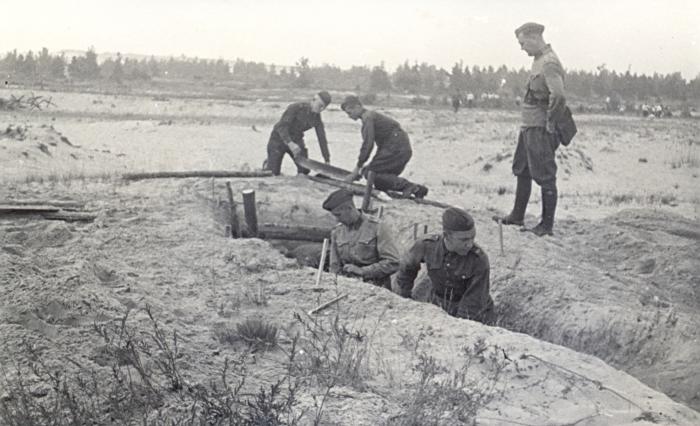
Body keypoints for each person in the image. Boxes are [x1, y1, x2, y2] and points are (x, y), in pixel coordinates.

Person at [493, 22, 566, 236]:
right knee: (522, 169)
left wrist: (550, 123)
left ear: (534, 37)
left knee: (545, 175)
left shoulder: (549, 62)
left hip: (540, 127)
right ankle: (517, 215)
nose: (522, 48)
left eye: (523, 43)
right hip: (529, 125)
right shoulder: (539, 60)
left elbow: (559, 96)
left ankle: (546, 225)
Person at [397, 207, 495, 325]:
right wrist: (404, 296)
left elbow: (473, 302)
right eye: (463, 240)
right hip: (438, 305)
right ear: (446, 236)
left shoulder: (478, 259)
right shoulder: (427, 245)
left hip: (475, 314)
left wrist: (456, 324)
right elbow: (407, 266)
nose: (469, 244)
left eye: (472, 238)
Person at [340, 95, 428, 198]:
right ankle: (417, 189)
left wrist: (357, 169)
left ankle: (410, 186)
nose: (349, 116)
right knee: (379, 181)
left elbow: (368, 145)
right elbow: (381, 149)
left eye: (350, 112)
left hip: (396, 148)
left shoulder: (368, 117)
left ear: (358, 107)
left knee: (369, 172)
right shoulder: (371, 116)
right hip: (401, 148)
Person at [323, 189, 400, 289]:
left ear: (349, 208)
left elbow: (393, 262)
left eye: (338, 215)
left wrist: (363, 271)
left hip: (376, 288)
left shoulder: (377, 227)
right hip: (347, 287)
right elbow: (334, 266)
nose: (337, 219)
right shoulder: (337, 232)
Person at [264, 91, 332, 175]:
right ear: (314, 100)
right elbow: (282, 127)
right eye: (320, 106)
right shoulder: (296, 108)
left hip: (297, 139)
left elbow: (321, 138)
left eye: (323, 108)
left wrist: (327, 159)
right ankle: (268, 163)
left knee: (305, 170)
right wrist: (290, 143)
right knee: (272, 173)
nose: (321, 110)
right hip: (278, 139)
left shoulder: (317, 118)